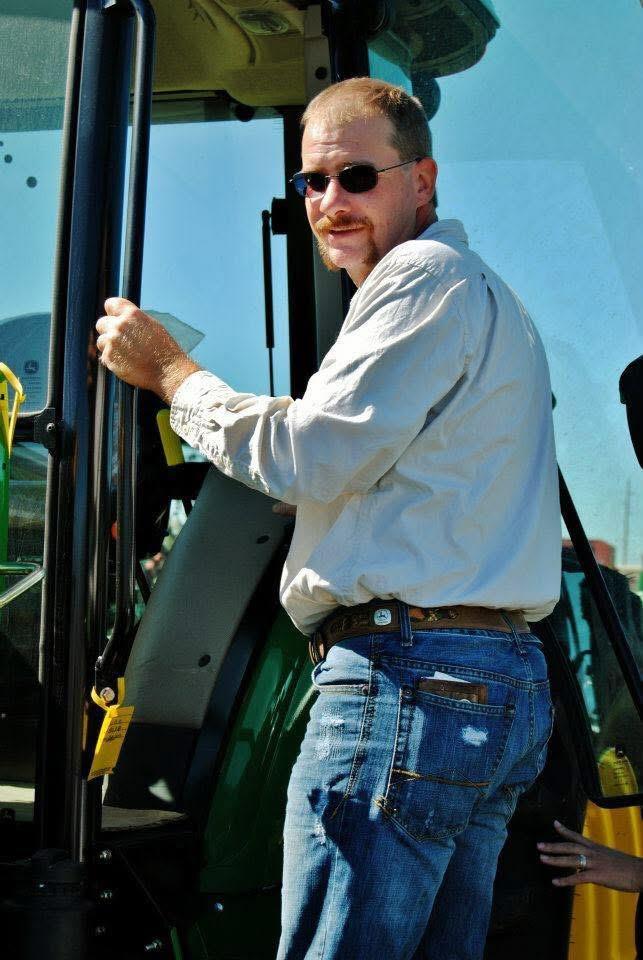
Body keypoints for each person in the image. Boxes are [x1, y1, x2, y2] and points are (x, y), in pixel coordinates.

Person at [96, 78, 561, 960]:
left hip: (408, 679)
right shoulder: (482, 298)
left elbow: (313, 453)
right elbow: (364, 463)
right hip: (486, 683)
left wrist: (172, 376)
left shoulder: (422, 277)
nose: (330, 202)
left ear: (421, 180)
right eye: (312, 183)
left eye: (356, 176)